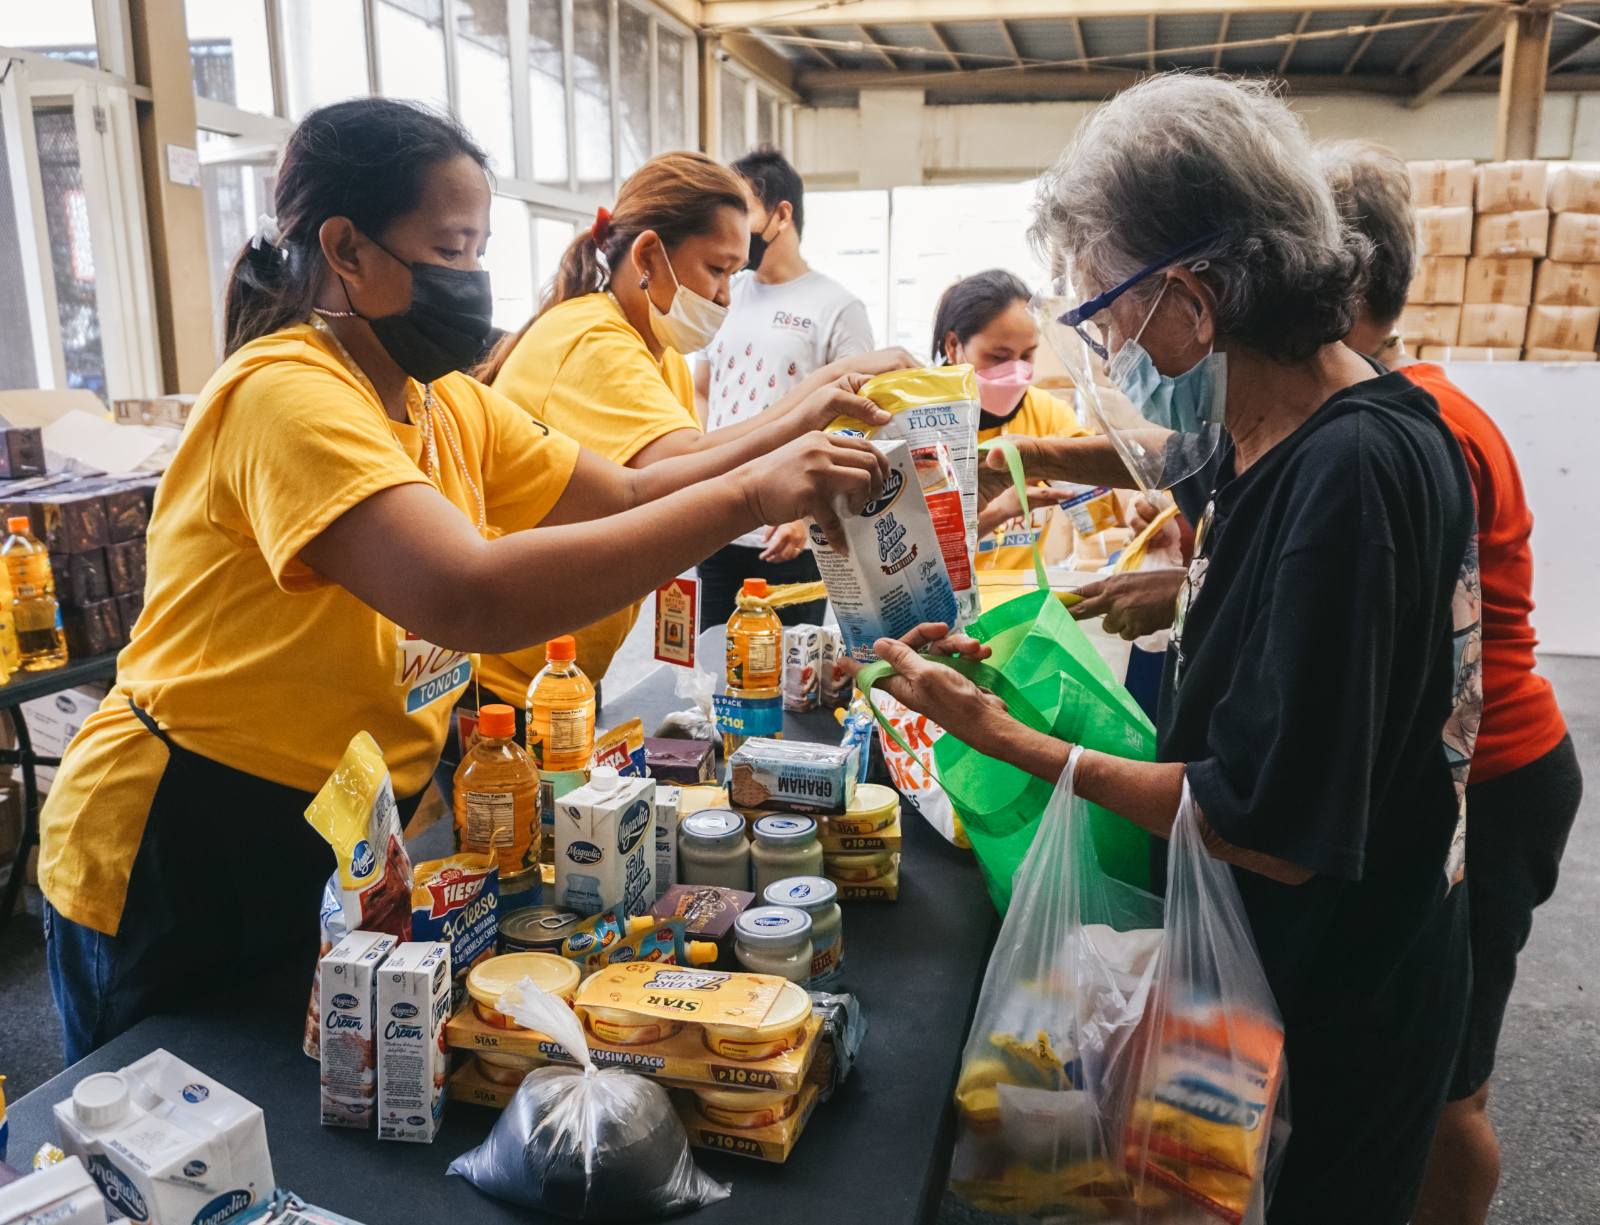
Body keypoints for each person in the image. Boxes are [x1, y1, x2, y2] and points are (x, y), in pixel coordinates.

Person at [37, 99, 887, 1064]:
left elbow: (626, 488)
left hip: (342, 819)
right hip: (193, 827)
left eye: (481, 249)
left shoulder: (445, 404)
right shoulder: (288, 393)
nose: (473, 279)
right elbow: (466, 592)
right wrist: (750, 494)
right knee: (161, 1129)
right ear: (346, 249)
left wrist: (800, 422)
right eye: (450, 248)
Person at [854, 75, 1482, 1224]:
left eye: (1107, 310)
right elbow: (1170, 457)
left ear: (1192, 297)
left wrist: (1006, 736)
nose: (1105, 344)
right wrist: (1024, 472)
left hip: (1342, 987)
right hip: (1297, 955)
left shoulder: (1345, 476)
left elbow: (1262, 827)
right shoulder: (1297, 421)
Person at [1319, 139, 1582, 1225]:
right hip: (1458, 771)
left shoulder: (1409, 432)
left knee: (1446, 1088)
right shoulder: (1383, 407)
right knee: (1394, 1065)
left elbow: (1384, 652)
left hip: (1490, 779)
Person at [475, 151, 906, 700]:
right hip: (505, 673)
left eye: (735, 273)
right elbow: (676, 472)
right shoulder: (591, 340)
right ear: (650, 255)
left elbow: (695, 457)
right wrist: (819, 394)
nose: (726, 295)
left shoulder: (660, 354)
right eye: (717, 270)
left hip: (559, 666)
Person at [696, 146, 885, 629]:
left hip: (789, 533)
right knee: (714, 675)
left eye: (743, 210)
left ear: (782, 214)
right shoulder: (724, 295)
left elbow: (857, 424)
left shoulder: (837, 307)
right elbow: (703, 388)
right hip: (713, 525)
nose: (732, 227)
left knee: (786, 685)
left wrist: (804, 516)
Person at [928, 269, 1092, 568]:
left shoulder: (1048, 415)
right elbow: (910, 557)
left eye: (1027, 355)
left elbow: (1100, 497)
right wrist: (997, 513)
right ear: (954, 347)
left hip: (1021, 605)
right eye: (999, 357)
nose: (1015, 372)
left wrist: (1145, 513)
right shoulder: (921, 424)